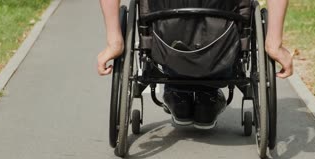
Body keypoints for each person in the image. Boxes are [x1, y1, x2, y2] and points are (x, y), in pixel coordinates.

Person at [98, 0, 293, 129]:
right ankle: (206, 97)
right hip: (225, 39)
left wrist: (114, 40)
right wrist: (274, 42)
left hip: (163, 36)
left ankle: (179, 94)